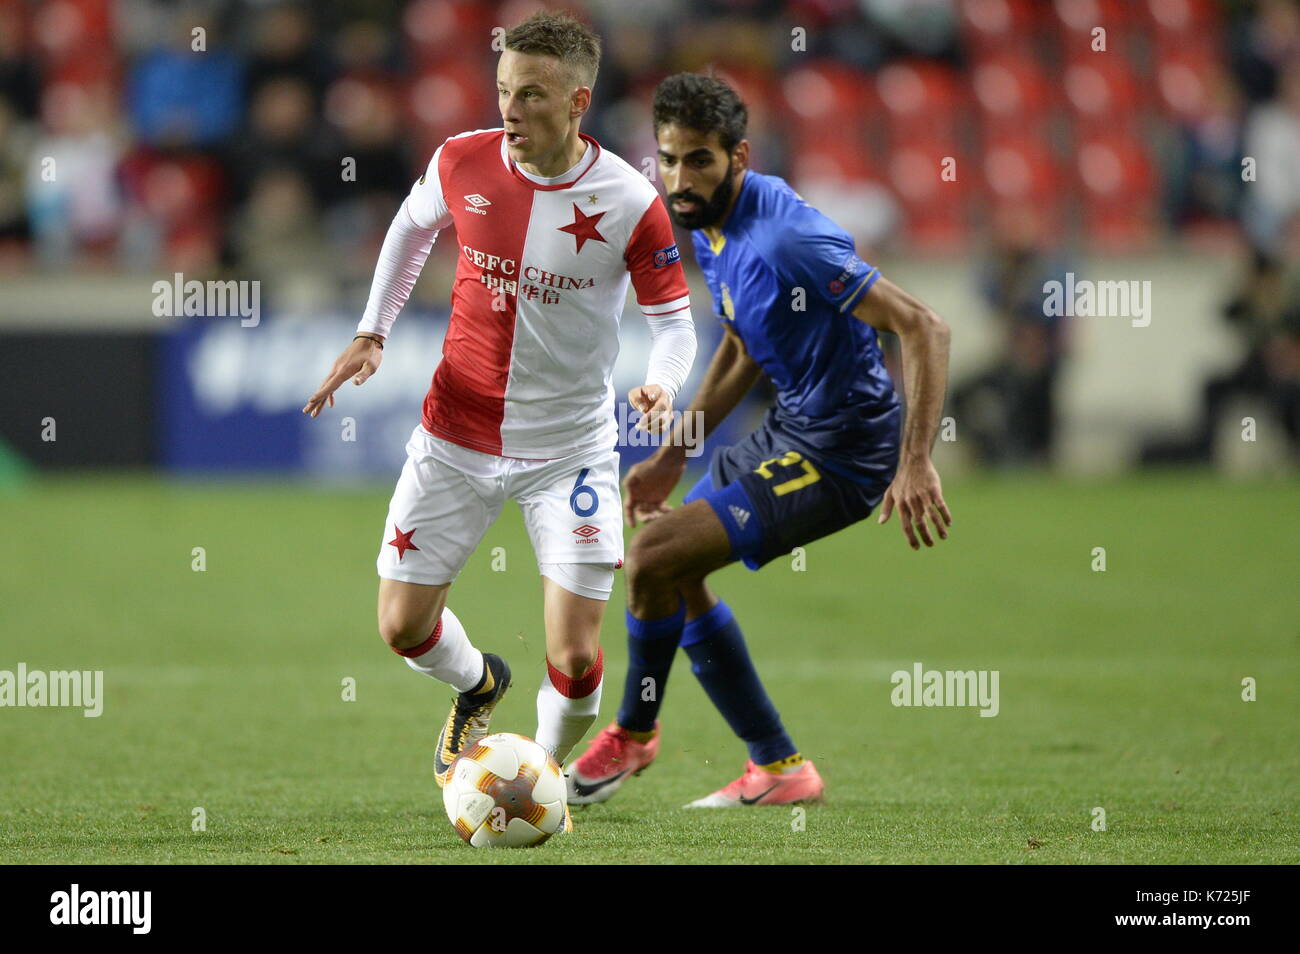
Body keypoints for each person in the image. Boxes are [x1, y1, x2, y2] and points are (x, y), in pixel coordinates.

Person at [302, 13, 697, 809]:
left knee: (580, 661)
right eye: (503, 91)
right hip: (454, 434)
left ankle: (535, 777)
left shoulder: (626, 199)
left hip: (569, 450)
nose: (510, 109)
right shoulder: (462, 159)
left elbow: (674, 322)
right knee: (403, 627)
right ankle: (480, 685)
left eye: (532, 95)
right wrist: (372, 330)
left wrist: (662, 383)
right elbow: (411, 229)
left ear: (578, 100)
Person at [567, 73, 951, 808]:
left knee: (652, 555)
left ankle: (632, 734)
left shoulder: (789, 237)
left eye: (699, 161)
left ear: (738, 155)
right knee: (670, 567)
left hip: (845, 452)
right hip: (792, 428)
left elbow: (923, 325)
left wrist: (917, 460)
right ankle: (778, 768)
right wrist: (675, 453)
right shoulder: (709, 226)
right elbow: (744, 344)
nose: (680, 178)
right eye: (669, 159)